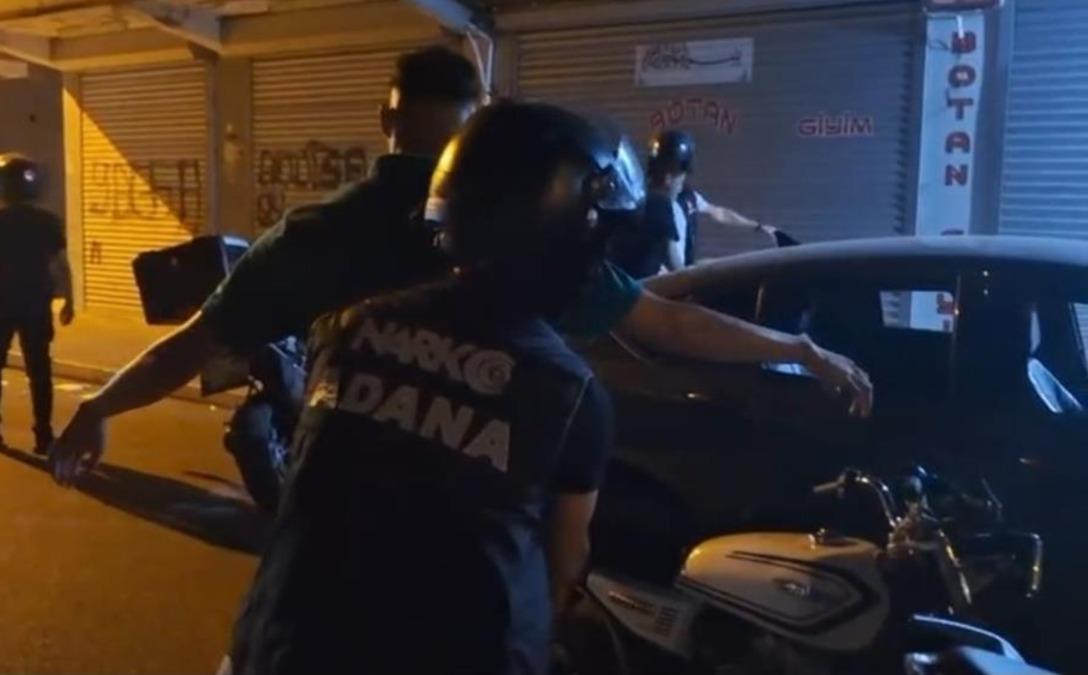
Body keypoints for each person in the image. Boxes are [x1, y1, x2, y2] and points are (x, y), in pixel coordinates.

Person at [50, 45, 871, 486]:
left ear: (387, 117)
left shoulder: (319, 232)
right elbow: (670, 324)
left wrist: (98, 403)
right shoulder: (533, 241)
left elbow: (194, 342)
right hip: (475, 541)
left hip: (334, 529)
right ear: (480, 133)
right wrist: (799, 349)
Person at [226, 101, 637, 675]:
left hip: (283, 648)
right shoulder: (569, 393)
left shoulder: (346, 329)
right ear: (568, 239)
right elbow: (563, 566)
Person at [0, 153, 74, 455]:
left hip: (0, 303)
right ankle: (44, 434)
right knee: (39, 369)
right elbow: (60, 265)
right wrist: (69, 301)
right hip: (36, 302)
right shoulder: (48, 222)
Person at [611, 129, 775, 278]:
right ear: (669, 177)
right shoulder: (659, 206)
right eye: (682, 176)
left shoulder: (677, 198)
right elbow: (674, 267)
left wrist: (757, 226)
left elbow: (720, 213)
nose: (682, 183)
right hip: (660, 288)